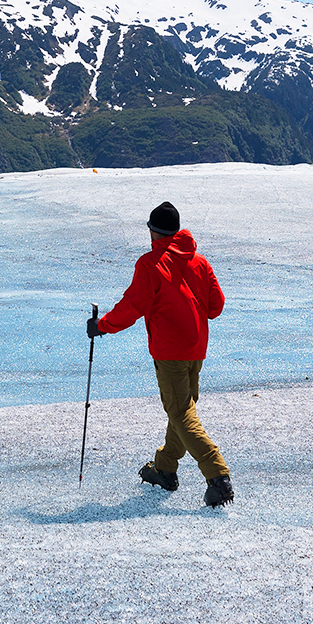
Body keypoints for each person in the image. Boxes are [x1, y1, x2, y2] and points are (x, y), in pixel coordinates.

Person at [88, 201, 233, 507]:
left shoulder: (150, 264)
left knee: (181, 412)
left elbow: (132, 307)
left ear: (153, 232)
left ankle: (217, 474)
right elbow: (216, 306)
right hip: (196, 349)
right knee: (181, 408)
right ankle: (165, 468)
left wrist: (102, 326)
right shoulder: (200, 262)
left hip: (170, 352)